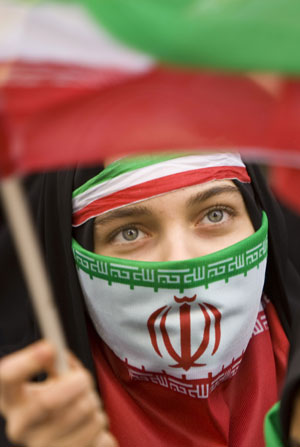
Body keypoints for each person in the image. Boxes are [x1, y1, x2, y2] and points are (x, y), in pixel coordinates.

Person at [0, 152, 299, 447]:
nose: (180, 263)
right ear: (72, 258)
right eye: (129, 233)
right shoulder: (25, 420)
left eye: (214, 214)